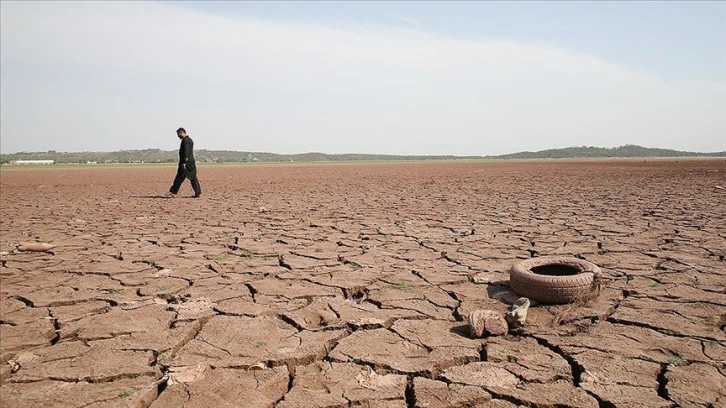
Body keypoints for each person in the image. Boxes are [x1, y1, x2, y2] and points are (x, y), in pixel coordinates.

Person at [168, 127, 202, 197]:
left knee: (179, 177)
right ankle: (198, 193)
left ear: (181, 132)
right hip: (191, 162)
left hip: (185, 162)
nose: (178, 136)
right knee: (193, 177)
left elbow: (186, 152)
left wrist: (184, 162)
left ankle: (173, 192)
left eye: (178, 134)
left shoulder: (185, 140)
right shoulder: (190, 140)